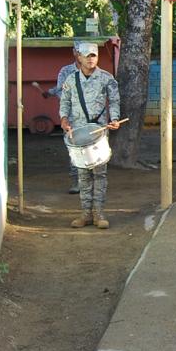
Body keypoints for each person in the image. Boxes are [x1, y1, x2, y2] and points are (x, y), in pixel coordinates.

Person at [59, 42, 122, 229]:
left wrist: (115, 118)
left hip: (99, 132)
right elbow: (65, 103)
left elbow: (115, 101)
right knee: (83, 174)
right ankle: (85, 213)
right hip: (78, 133)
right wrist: (63, 119)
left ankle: (99, 214)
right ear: (78, 56)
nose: (90, 59)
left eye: (93, 55)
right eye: (86, 55)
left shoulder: (106, 78)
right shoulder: (71, 80)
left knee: (100, 174)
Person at [43, 39, 81, 194]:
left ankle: (91, 184)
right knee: (74, 150)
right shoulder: (66, 71)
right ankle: (76, 182)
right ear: (74, 52)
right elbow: (61, 91)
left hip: (92, 119)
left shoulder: (97, 73)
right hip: (72, 118)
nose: (82, 55)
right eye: (78, 51)